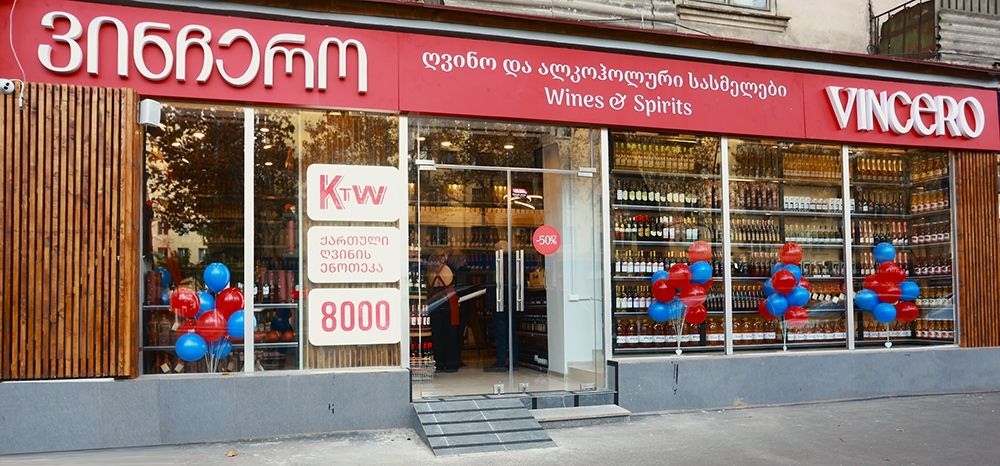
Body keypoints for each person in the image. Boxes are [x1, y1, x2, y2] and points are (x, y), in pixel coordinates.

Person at [426, 250, 462, 372]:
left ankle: (439, 363)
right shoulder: (447, 269)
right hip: (448, 302)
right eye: (445, 255)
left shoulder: (430, 271)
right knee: (450, 334)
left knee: (437, 334)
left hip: (434, 302)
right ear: (442, 257)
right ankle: (451, 364)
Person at [485, 241, 517, 372]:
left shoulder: (497, 262)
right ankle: (514, 361)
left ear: (499, 249)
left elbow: (492, 283)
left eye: (496, 249)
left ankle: (501, 361)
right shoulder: (514, 262)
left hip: (499, 302)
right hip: (513, 302)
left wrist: (489, 303)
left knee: (500, 333)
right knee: (512, 333)